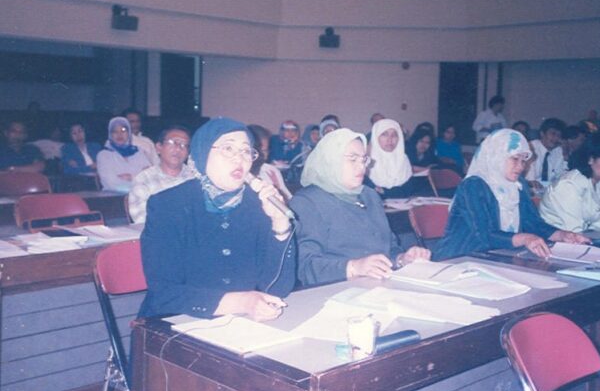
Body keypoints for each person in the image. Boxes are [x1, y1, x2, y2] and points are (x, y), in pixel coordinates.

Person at [138, 117, 295, 320]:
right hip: (176, 321)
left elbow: (278, 288)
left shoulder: (260, 205)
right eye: (228, 149)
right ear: (202, 153)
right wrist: (243, 302)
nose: (239, 159)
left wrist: (280, 225)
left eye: (246, 151)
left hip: (242, 322)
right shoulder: (168, 205)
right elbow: (164, 293)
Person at [290, 128, 430, 287]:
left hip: (379, 286)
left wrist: (402, 259)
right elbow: (304, 267)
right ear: (330, 160)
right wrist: (353, 267)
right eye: (352, 159)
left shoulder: (369, 195)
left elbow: (389, 247)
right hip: (335, 290)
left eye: (363, 159)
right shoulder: (307, 202)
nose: (362, 167)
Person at [433, 129, 589, 261]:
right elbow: (484, 235)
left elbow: (533, 223)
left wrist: (562, 235)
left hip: (497, 256)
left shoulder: (517, 185)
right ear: (496, 156)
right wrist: (525, 238)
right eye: (515, 159)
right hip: (459, 258)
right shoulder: (473, 186)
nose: (521, 166)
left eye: (523, 161)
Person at [540, 136, 600, 232]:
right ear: (591, 159)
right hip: (556, 239)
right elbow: (574, 229)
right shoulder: (568, 185)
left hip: (582, 237)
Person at [128, 125, 194, 223]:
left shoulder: (196, 178)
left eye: (184, 145)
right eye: (173, 142)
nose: (178, 148)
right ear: (159, 147)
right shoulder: (144, 179)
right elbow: (141, 219)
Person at [96, 117, 151, 192]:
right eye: (115, 131)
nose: (119, 134)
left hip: (141, 195)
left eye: (123, 130)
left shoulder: (138, 151)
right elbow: (111, 184)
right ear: (110, 134)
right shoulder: (104, 155)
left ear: (129, 133)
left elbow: (150, 176)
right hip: (114, 198)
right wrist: (138, 184)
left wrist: (131, 177)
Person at [366, 118, 414, 199]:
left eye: (394, 135)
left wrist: (384, 192)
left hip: (401, 205)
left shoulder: (403, 159)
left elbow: (408, 190)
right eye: (384, 134)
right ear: (376, 136)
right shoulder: (365, 160)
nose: (390, 139)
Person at [525, 118, 566, 186]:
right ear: (542, 134)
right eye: (553, 134)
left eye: (559, 135)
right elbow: (530, 180)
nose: (556, 138)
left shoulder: (558, 151)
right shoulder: (531, 147)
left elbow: (561, 176)